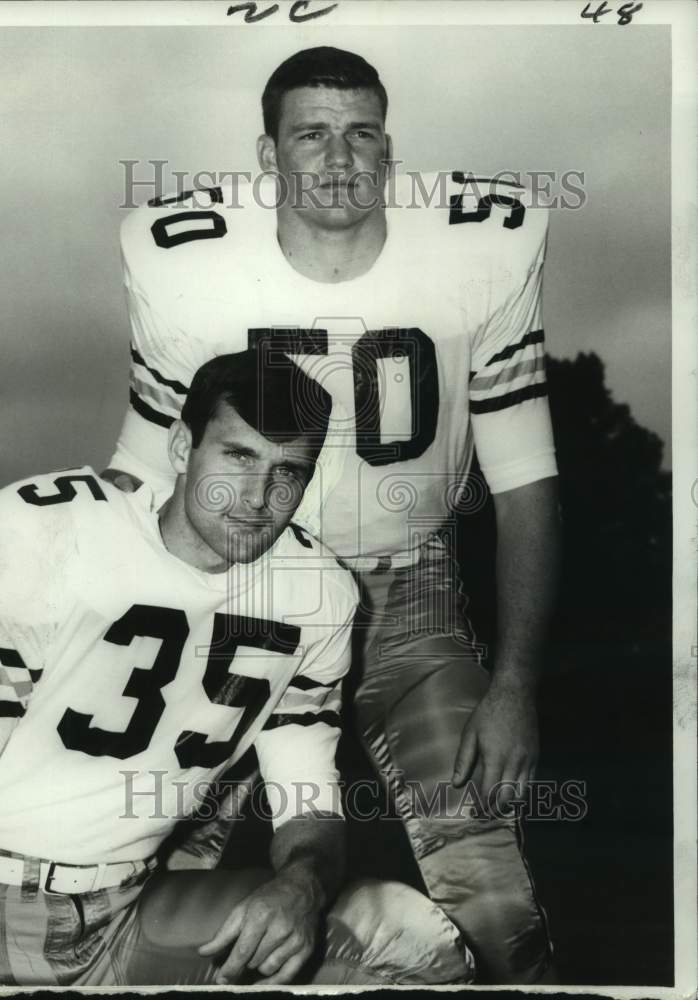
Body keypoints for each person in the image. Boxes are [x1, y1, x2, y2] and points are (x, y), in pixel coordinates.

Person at [103, 46, 561, 984]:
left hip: (410, 595)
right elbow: (143, 478)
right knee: (143, 871)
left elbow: (528, 484)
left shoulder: (485, 244)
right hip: (244, 598)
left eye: (362, 135)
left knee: (493, 898)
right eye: (311, 134)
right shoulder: (185, 262)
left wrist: (515, 683)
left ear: (389, 150)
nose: (340, 159)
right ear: (268, 156)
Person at [0, 351, 474, 988]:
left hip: (133, 910)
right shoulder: (48, 533)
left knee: (409, 939)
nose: (258, 499)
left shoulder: (317, 592)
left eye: (288, 472)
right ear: (180, 445)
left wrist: (301, 883)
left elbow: (307, 796)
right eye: (238, 456)